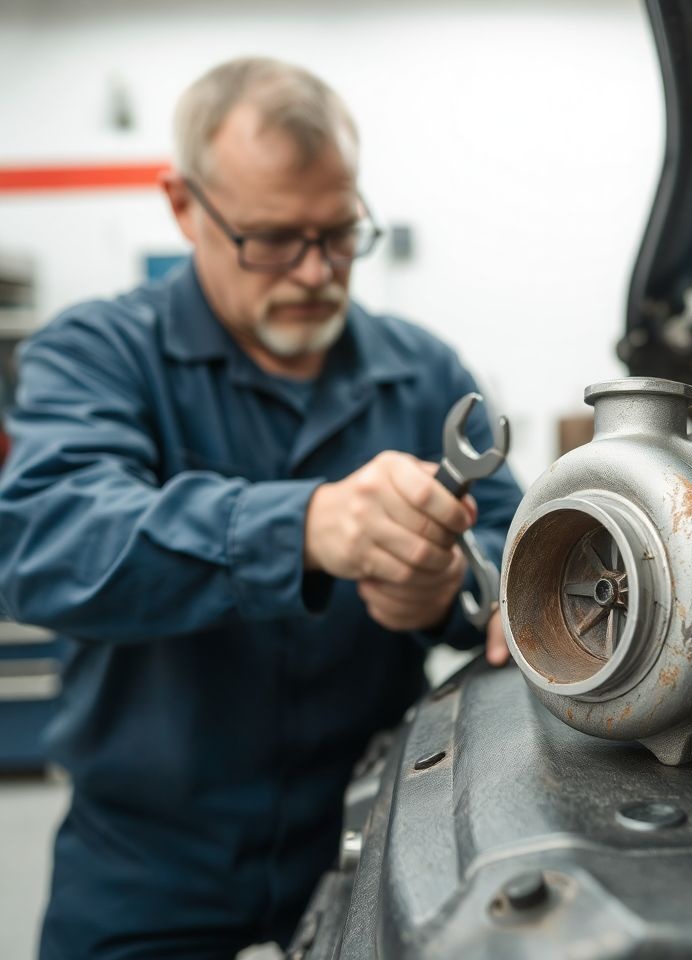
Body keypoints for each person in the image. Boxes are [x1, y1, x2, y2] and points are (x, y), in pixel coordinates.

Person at [0, 57, 523, 959]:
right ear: (184, 207)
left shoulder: (425, 372)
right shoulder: (95, 355)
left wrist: (449, 590)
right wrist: (306, 528)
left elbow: (514, 553)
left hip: (371, 835)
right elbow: (49, 539)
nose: (317, 271)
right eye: (275, 239)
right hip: (147, 861)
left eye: (339, 232)